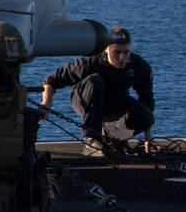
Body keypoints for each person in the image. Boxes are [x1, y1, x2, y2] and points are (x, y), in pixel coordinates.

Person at [40, 27, 154, 156]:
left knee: (145, 116)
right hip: (86, 98)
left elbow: (147, 99)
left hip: (113, 101)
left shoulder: (140, 67)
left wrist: (148, 137)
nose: (122, 58)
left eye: (126, 52)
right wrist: (46, 102)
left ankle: (115, 139)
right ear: (106, 49)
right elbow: (51, 80)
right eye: (116, 52)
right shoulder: (89, 62)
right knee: (95, 81)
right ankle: (92, 139)